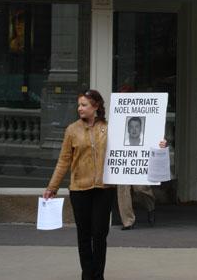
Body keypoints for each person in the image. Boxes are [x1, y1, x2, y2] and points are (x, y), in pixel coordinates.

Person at [42, 89, 114, 280]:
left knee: (99, 234)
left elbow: (129, 148)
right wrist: (52, 187)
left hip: (104, 189)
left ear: (95, 107)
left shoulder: (109, 128)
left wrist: (159, 144)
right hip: (79, 190)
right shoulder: (72, 130)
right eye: (79, 105)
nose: (79, 108)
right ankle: (87, 275)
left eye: (84, 105)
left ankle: (98, 276)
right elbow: (64, 160)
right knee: (84, 235)